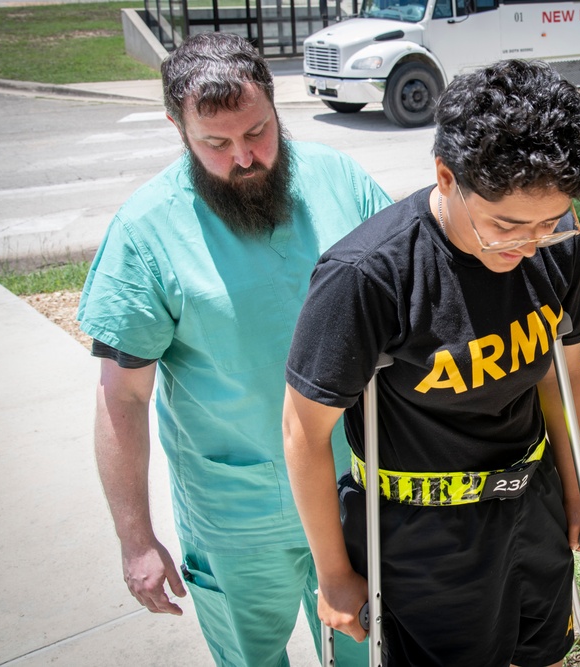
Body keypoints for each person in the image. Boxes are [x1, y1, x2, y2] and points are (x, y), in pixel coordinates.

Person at [283, 59, 580, 666]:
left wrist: (573, 490)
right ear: (445, 176)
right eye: (506, 225)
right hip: (422, 538)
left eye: (549, 223)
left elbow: (559, 372)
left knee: (542, 654)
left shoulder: (555, 241)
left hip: (532, 500)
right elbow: (304, 433)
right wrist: (333, 574)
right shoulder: (367, 277)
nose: (528, 244)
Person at [77, 31, 391, 666]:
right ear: (178, 126)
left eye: (258, 133)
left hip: (358, 494)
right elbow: (123, 399)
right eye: (215, 144)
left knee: (369, 656)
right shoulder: (145, 232)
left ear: (276, 106)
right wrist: (136, 539)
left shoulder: (339, 179)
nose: (245, 158)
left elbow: (407, 309)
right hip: (239, 519)